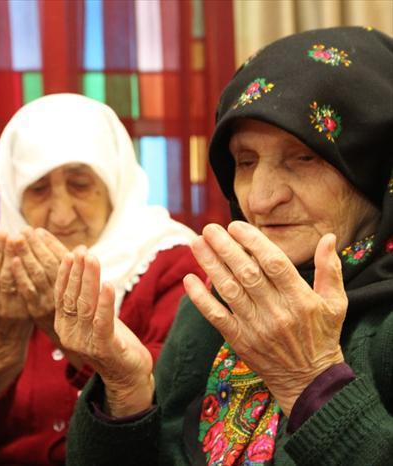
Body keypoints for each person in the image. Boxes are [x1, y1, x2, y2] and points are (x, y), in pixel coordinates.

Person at [59, 26, 393, 465]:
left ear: (374, 165)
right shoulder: (217, 304)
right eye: (246, 161)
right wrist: (127, 394)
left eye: (304, 157)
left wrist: (312, 382)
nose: (261, 198)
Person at [0, 93, 204, 464]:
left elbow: (177, 412)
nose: (61, 215)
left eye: (80, 184)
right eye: (38, 189)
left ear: (114, 184)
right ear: (14, 196)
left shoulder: (172, 264)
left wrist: (67, 328)